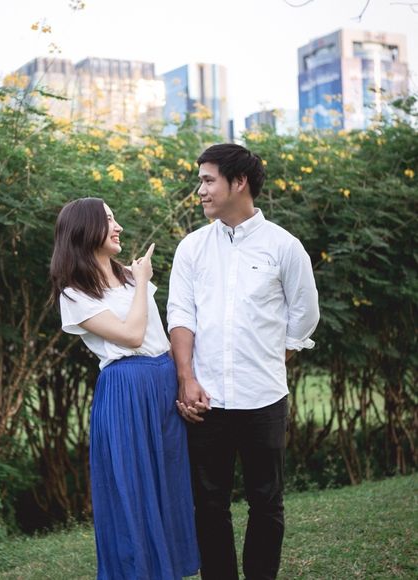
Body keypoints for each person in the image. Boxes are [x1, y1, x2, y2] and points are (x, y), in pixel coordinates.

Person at [167, 144, 320, 580]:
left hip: (264, 398)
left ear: (239, 183)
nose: (200, 190)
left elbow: (304, 314)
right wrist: (186, 378)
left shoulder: (284, 247)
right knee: (209, 504)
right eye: (200, 180)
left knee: (266, 502)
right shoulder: (192, 248)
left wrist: (273, 357)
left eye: (208, 180)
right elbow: (180, 314)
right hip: (206, 400)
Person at [50, 197, 199, 580]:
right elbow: (132, 336)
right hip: (126, 389)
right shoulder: (75, 293)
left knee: (170, 480)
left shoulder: (131, 277)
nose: (117, 227)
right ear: (86, 230)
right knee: (133, 487)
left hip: (162, 379)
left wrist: (184, 379)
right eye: (108, 220)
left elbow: (158, 336)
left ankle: (171, 570)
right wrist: (143, 282)